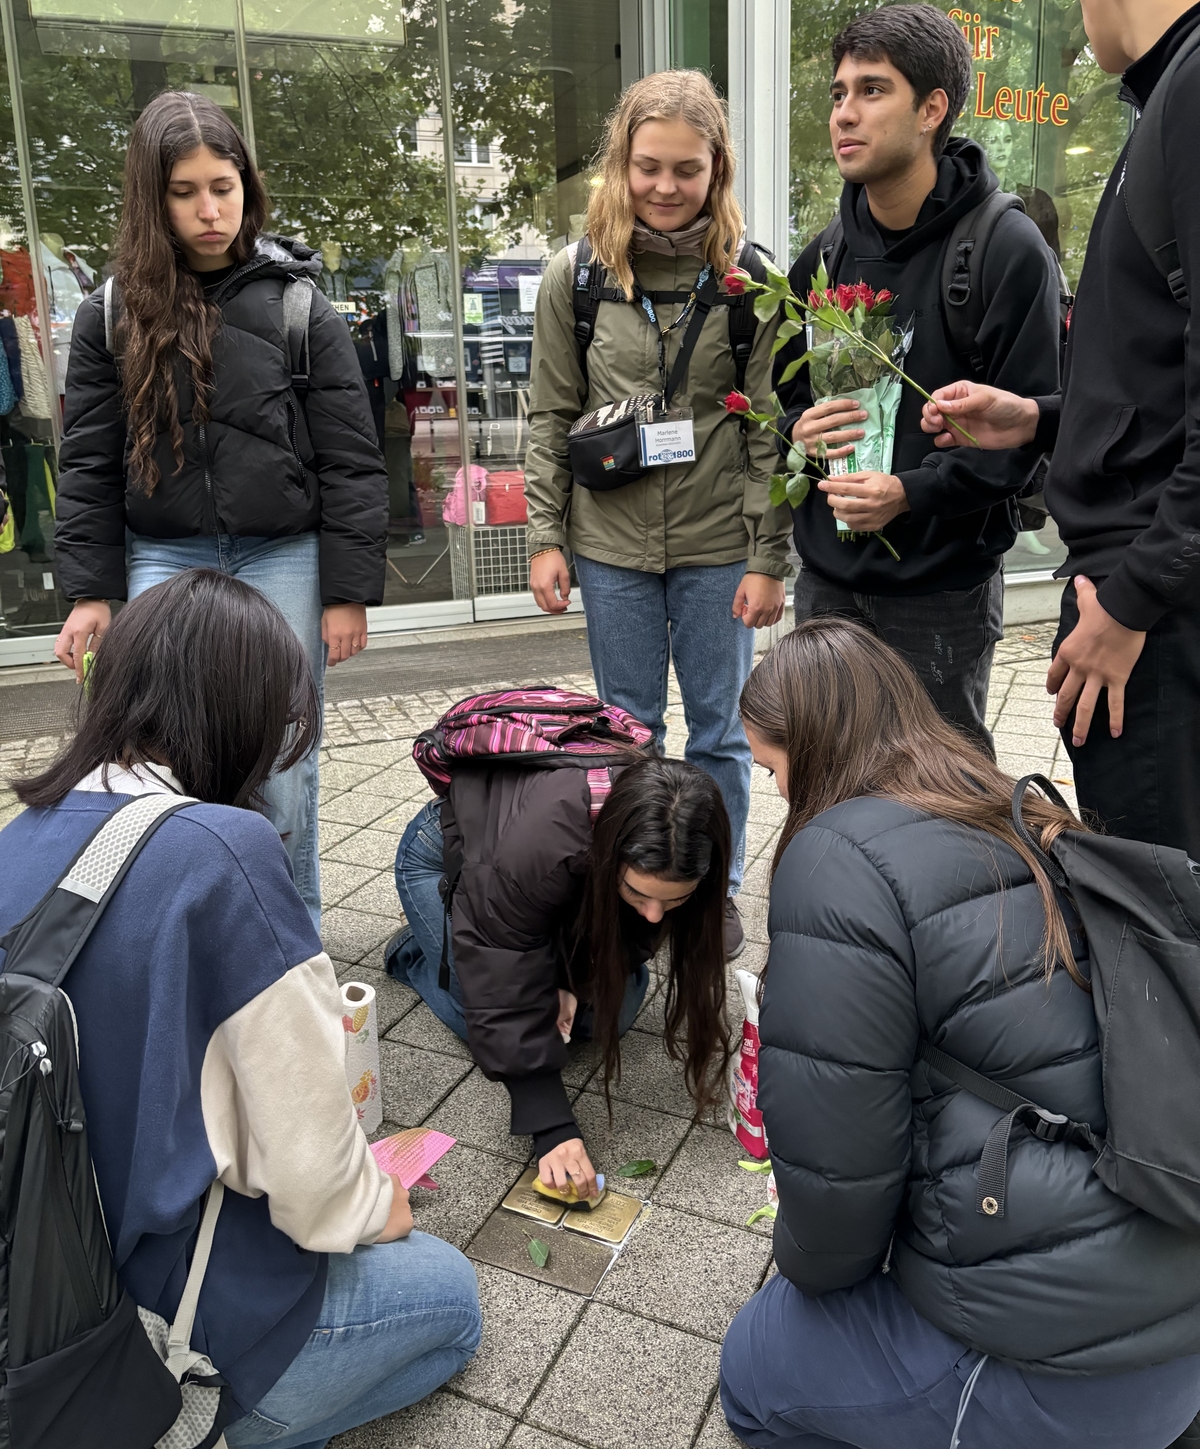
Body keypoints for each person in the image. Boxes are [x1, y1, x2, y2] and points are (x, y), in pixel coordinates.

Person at [0, 569, 480, 1449]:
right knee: (451, 1299)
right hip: (158, 1320)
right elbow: (314, 1189)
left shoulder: (23, 831)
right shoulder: (226, 851)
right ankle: (207, 1424)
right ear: (244, 717)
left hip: (36, 1281)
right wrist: (381, 1205)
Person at [720, 617, 1200, 1449]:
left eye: (772, 766)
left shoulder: (835, 858)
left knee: (757, 1367)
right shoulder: (1007, 804)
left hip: (1075, 1374)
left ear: (816, 748)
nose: (774, 790)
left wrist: (807, 1271)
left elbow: (837, 1196)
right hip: (1175, 1285)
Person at [51, 90, 388, 929]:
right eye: (185, 190)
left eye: (225, 185)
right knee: (177, 750)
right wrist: (89, 592)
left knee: (280, 757)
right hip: (164, 553)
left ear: (248, 185)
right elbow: (88, 460)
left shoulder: (300, 303)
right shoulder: (108, 314)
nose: (210, 209)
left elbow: (351, 457)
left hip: (285, 554)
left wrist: (348, 591)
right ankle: (210, 930)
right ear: (151, 198)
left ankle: (292, 934)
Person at [921, 0, 1200, 856]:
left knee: (1160, 923)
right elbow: (1164, 377)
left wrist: (1131, 604)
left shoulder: (1192, 92)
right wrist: (1039, 419)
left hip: (1156, 626)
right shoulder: (1170, 97)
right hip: (1148, 607)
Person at [523, 70, 791, 954]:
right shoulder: (576, 279)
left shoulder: (753, 285)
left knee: (719, 732)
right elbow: (552, 418)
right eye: (648, 167)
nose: (666, 187)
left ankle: (715, 888)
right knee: (628, 726)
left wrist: (767, 558)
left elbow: (769, 435)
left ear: (719, 169)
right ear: (620, 163)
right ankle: (636, 876)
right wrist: (546, 537)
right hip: (608, 549)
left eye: (687, 169)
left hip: (720, 546)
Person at [777, 4, 1062, 755]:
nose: (845, 113)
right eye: (839, 93)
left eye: (873, 91)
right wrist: (797, 435)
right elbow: (788, 402)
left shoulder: (1005, 249)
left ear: (932, 109)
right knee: (826, 781)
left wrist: (911, 492)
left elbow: (1025, 438)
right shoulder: (823, 260)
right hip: (828, 590)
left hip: (941, 594)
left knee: (944, 801)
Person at [388, 753, 729, 1199]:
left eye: (673, 900)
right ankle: (416, 952)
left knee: (598, 1020)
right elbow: (500, 989)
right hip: (452, 854)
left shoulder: (686, 840)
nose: (652, 915)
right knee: (477, 1016)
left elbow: (623, 927)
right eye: (638, 893)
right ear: (610, 855)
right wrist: (551, 1125)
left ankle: (474, 944)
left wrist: (571, 981)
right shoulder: (530, 851)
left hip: (540, 889)